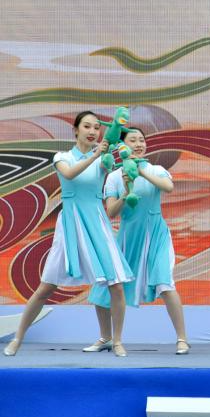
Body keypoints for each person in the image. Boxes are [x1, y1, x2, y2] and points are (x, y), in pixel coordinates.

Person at [4, 110, 134, 357]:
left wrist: (123, 165)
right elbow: (70, 174)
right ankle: (18, 338)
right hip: (72, 223)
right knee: (46, 287)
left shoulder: (103, 159)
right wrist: (96, 154)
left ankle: (116, 340)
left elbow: (115, 166)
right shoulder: (62, 157)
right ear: (75, 130)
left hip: (97, 222)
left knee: (116, 285)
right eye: (87, 126)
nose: (93, 131)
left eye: (96, 127)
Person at [86, 127, 189, 354]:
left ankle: (182, 339)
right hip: (127, 238)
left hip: (156, 235)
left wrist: (141, 172)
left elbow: (168, 187)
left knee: (165, 283)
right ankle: (106, 337)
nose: (139, 144)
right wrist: (125, 191)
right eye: (133, 140)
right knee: (105, 288)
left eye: (142, 140)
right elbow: (111, 211)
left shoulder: (156, 170)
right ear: (122, 146)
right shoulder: (114, 177)